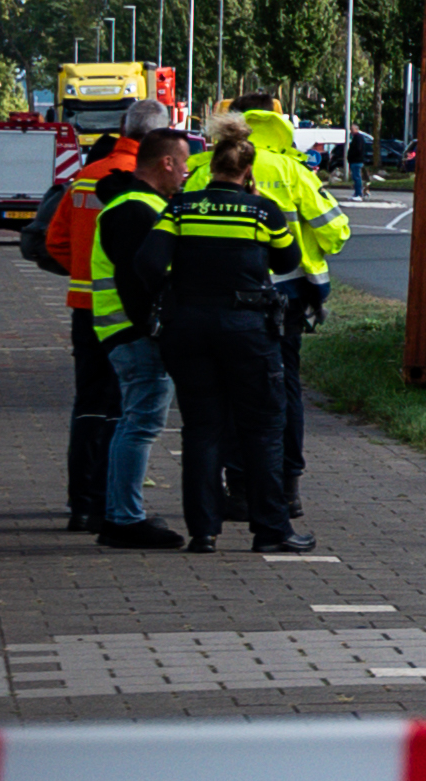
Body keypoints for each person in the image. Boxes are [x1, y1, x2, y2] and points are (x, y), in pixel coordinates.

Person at [149, 121, 310, 552]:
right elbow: (287, 261)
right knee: (262, 429)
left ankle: (203, 532)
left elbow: (149, 262)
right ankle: (271, 530)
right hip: (247, 331)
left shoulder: (181, 208)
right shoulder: (262, 212)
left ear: (211, 165)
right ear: (247, 171)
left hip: (188, 329)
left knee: (202, 430)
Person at [237, 97, 351, 519]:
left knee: (230, 391)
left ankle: (236, 487)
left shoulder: (207, 168)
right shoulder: (292, 170)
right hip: (285, 296)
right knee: (284, 388)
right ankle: (288, 488)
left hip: (225, 296)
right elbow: (335, 230)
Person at [85, 128, 192, 547]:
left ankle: (120, 514)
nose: (185, 174)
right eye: (184, 165)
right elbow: (135, 281)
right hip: (135, 332)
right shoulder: (136, 209)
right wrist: (155, 329)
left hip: (125, 329)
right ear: (166, 162)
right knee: (141, 423)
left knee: (135, 421)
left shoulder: (139, 203)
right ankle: (123, 519)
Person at [43, 133, 125, 530]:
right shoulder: (146, 180)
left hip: (85, 305)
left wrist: (82, 270)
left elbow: (55, 240)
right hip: (128, 311)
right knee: (123, 409)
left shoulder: (84, 178)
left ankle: (82, 504)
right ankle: (113, 501)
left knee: (89, 403)